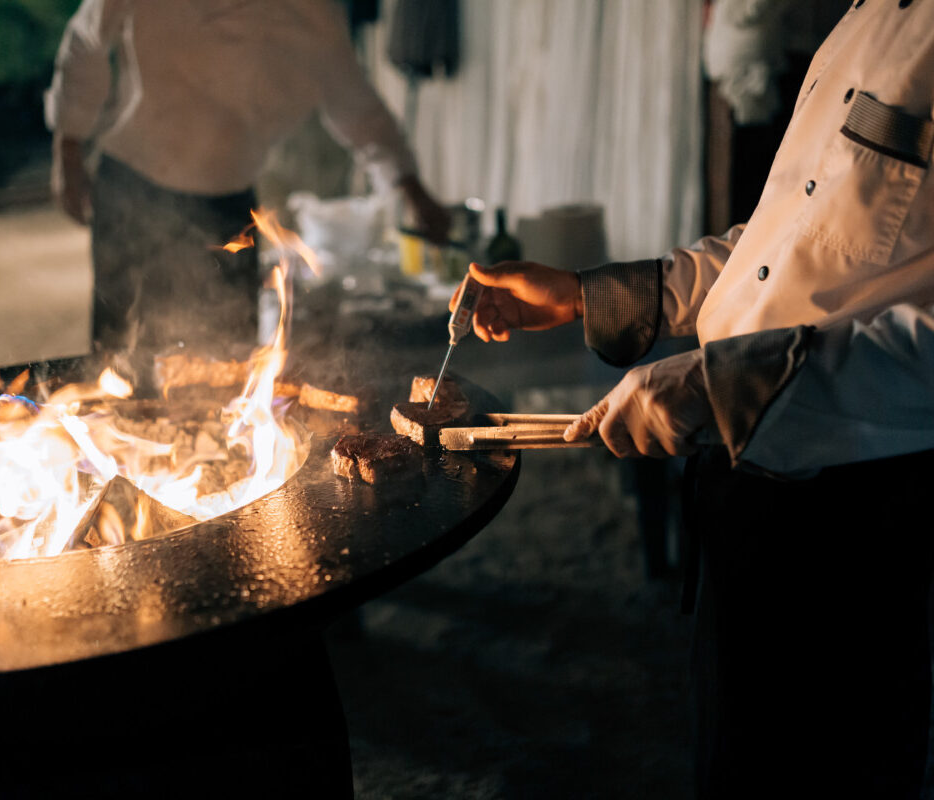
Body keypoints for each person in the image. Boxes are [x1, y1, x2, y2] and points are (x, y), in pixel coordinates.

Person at [454, 3, 934, 797]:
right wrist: (587, 295)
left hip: (860, 515)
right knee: (735, 758)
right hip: (744, 484)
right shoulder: (865, 17)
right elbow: (787, 240)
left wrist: (723, 384)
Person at [46, 0, 449, 353]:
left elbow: (358, 108)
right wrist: (67, 150)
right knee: (118, 356)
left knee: (225, 361)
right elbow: (86, 40)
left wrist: (412, 190)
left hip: (228, 208)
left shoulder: (314, 12)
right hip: (133, 193)